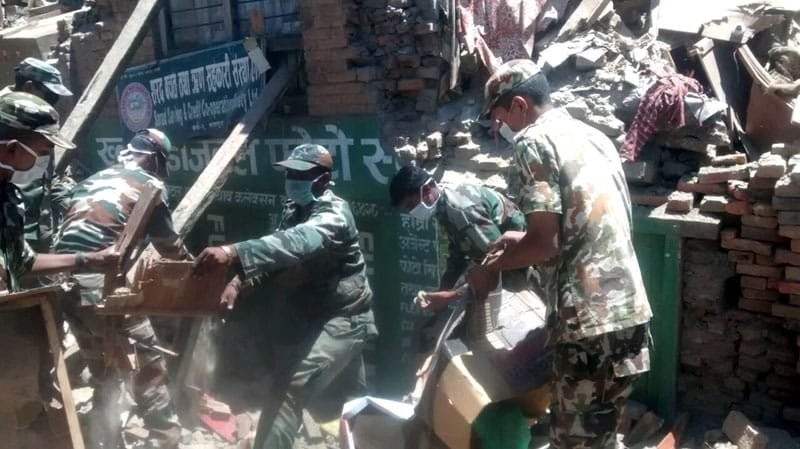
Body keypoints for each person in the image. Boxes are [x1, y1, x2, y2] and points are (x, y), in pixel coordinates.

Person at [468, 59, 653, 449]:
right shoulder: (593, 136)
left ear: (518, 104)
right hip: (629, 315)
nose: (497, 126)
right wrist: (520, 236)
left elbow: (545, 244)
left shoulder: (534, 141)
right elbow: (589, 222)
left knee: (576, 442)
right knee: (600, 434)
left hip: (587, 325)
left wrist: (492, 268)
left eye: (497, 115)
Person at [193, 143, 378, 449]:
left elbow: (296, 244)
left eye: (300, 174)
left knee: (291, 385)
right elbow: (277, 261)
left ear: (322, 178)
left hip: (344, 319)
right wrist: (239, 283)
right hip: (317, 316)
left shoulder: (334, 214)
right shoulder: (295, 211)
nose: (292, 179)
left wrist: (232, 252)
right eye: (290, 172)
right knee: (353, 404)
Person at [53, 128, 185, 449]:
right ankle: (166, 441)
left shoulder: (92, 181)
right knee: (148, 370)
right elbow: (168, 245)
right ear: (154, 161)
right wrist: (193, 271)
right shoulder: (149, 185)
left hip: (62, 286)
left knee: (105, 367)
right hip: (102, 288)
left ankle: (104, 440)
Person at [0, 92, 117, 444]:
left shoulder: (8, 195)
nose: (46, 155)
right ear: (12, 146)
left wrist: (88, 260)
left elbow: (22, 260)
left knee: (31, 415)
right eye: (42, 146)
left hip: (13, 325)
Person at [388, 164, 526, 310]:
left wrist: (452, 295)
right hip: (500, 255)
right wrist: (442, 293)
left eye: (411, 205)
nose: (412, 212)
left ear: (427, 190)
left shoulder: (461, 212)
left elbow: (497, 261)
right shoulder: (444, 208)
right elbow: (458, 256)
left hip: (521, 260)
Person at [1, 57, 75, 255]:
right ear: (30, 86)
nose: (54, 103)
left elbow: (51, 174)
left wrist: (68, 202)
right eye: (51, 96)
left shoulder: (40, 118)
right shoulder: (5, 118)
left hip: (41, 231)